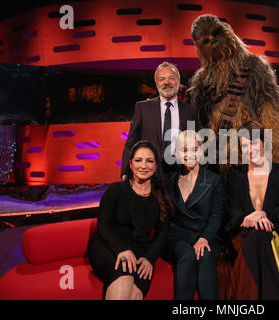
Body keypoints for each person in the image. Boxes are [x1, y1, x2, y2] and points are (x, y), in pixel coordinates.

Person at [88, 140, 173, 300]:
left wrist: (150, 258)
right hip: (109, 245)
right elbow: (103, 226)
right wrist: (121, 249)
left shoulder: (161, 196)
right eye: (138, 160)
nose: (143, 166)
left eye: (149, 161)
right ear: (130, 163)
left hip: (140, 250)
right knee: (124, 277)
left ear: (155, 166)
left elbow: (163, 233)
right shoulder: (115, 190)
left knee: (135, 294)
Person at [223, 121, 279, 300]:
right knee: (256, 237)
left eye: (254, 142)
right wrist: (254, 218)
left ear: (264, 142)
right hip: (243, 236)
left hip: (275, 238)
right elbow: (232, 215)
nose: (250, 149)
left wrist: (264, 214)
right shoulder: (235, 174)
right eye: (245, 145)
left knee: (260, 236)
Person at [165, 130, 224, 300]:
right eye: (184, 150)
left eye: (194, 149)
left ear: (201, 151)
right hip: (177, 237)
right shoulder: (169, 180)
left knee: (205, 255)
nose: (190, 154)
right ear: (176, 153)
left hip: (205, 234)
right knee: (187, 253)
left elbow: (216, 215)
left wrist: (205, 238)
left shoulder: (213, 180)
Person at [121, 62, 196, 179]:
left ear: (178, 81)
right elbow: (131, 143)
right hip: (150, 174)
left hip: (180, 174)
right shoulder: (142, 108)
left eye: (171, 78)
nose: (166, 82)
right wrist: (125, 173)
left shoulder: (190, 112)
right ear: (156, 84)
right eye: (162, 79)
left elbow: (193, 145)